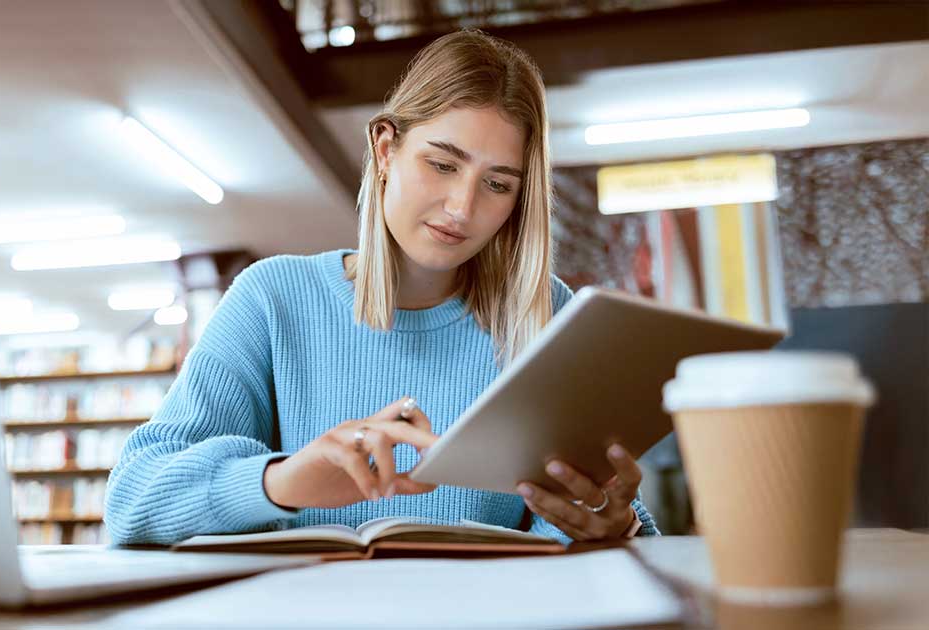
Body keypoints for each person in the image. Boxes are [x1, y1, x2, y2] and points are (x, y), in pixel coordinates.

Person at [105, 29, 657, 545]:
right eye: (442, 164)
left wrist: (615, 525)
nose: (462, 208)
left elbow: (612, 527)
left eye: (496, 184)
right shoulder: (273, 298)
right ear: (386, 148)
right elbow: (131, 501)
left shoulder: (547, 316)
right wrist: (285, 481)